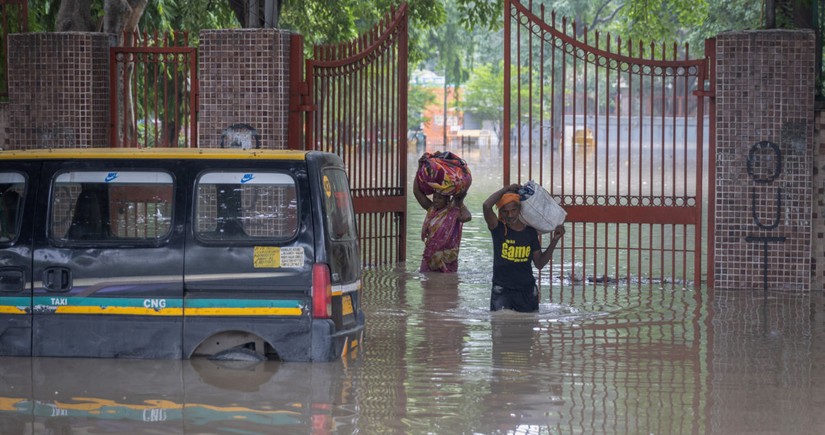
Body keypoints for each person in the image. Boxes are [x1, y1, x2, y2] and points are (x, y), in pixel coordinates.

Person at [483, 183, 565, 312]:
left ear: (519, 210)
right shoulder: (497, 229)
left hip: (526, 290)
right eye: (505, 211)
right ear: (500, 212)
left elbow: (539, 263)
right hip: (502, 290)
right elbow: (486, 206)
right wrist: (506, 189)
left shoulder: (530, 233)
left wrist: (555, 240)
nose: (510, 215)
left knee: (527, 329)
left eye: (513, 210)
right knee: (500, 324)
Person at [413, 179, 472, 273]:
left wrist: (460, 202)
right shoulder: (431, 209)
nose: (436, 200)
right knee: (427, 284)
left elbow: (467, 217)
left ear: (447, 199)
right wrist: (419, 172)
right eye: (434, 197)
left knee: (448, 284)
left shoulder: (453, 213)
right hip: (430, 257)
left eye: (439, 198)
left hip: (448, 259)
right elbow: (417, 192)